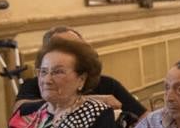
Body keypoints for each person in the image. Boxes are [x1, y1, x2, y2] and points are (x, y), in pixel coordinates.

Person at [13, 26, 145, 121]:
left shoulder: (106, 83)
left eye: (78, 48)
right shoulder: (39, 84)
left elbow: (144, 117)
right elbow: (20, 109)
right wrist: (92, 101)